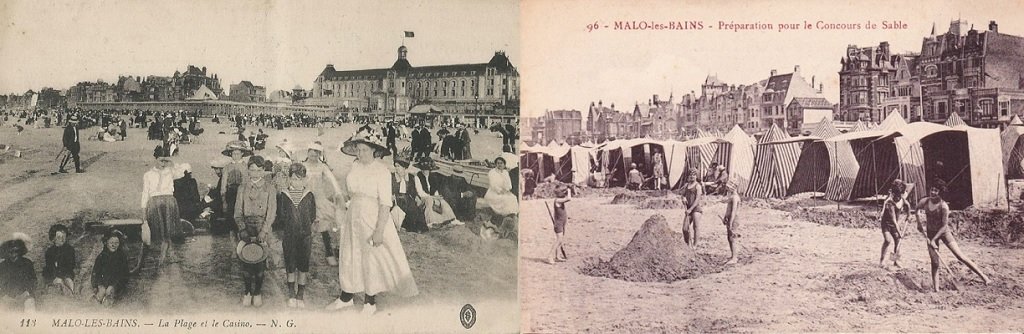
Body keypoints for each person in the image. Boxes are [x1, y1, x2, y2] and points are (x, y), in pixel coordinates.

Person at [326, 131, 418, 315]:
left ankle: (370, 301)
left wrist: (379, 231)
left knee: (371, 258)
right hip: (353, 215)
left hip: (372, 216)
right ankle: (346, 297)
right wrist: (340, 199)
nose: (360, 154)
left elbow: (385, 203)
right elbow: (350, 192)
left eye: (365, 150)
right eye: (358, 150)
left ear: (374, 151)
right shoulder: (354, 166)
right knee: (349, 254)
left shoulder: (382, 171)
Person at [914, 181, 990, 292]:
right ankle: (936, 290)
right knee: (935, 262)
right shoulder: (925, 201)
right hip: (930, 233)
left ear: (940, 193)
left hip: (944, 233)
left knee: (960, 256)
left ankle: (984, 277)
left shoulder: (944, 206)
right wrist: (918, 223)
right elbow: (916, 209)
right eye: (932, 189)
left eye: (936, 190)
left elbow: (944, 226)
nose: (933, 192)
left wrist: (934, 240)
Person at [233, 157, 277, 308]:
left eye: (259, 170)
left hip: (262, 227)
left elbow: (271, 213)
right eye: (252, 170)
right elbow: (238, 211)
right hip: (246, 226)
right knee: (245, 261)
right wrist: (242, 228)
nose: (256, 173)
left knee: (259, 263)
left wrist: (264, 231)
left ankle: (257, 292)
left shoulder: (270, 188)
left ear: (264, 171)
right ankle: (247, 292)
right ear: (248, 170)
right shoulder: (242, 188)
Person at [277, 163, 317, 308]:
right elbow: (281, 215)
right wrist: (289, 225)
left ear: (305, 180)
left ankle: (300, 295)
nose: (297, 182)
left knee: (303, 266)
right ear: (289, 179)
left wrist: (305, 226)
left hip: (305, 236)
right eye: (294, 179)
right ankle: (291, 294)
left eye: (300, 179)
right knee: (290, 265)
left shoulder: (309, 195)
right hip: (289, 236)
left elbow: (312, 215)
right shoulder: (283, 195)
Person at [142, 145, 186, 264]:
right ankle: (161, 257)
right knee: (158, 232)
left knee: (169, 231)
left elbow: (182, 173)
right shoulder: (148, 174)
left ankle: (168, 255)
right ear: (155, 159)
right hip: (155, 203)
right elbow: (145, 193)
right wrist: (143, 213)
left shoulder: (171, 171)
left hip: (169, 202)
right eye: (161, 160)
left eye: (165, 160)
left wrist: (171, 162)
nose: (163, 163)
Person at [303, 142, 342, 267]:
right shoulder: (302, 166)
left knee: (324, 228)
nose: (313, 156)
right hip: (305, 200)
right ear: (308, 152)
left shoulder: (322, 167)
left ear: (319, 155)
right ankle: (303, 255)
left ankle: (329, 253)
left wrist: (338, 194)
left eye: (316, 154)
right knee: (305, 229)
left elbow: (333, 180)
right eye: (311, 153)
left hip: (319, 200)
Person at [414, 158, 459, 226]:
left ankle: (451, 219)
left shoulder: (433, 177)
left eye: (427, 169)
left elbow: (435, 190)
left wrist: (437, 197)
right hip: (422, 199)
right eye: (423, 169)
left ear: (430, 170)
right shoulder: (417, 177)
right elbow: (420, 192)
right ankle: (431, 222)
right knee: (429, 201)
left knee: (442, 201)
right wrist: (432, 197)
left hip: (432, 197)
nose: (425, 171)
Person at [220, 140, 252, 236]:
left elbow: (248, 183)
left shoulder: (246, 167)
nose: (235, 156)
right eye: (233, 154)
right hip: (231, 194)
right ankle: (232, 238)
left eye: (238, 154)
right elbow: (223, 184)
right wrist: (224, 200)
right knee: (231, 217)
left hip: (243, 193)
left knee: (242, 216)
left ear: (242, 154)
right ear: (230, 154)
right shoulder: (227, 167)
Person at [0, 233, 36, 312]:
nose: (13, 254)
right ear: (6, 252)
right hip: (7, 297)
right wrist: (4, 296)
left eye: (16, 251)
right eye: (10, 251)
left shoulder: (27, 263)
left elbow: (32, 281)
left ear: (20, 251)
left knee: (29, 304)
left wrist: (26, 293)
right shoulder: (2, 266)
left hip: (24, 296)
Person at [91, 230, 128, 306]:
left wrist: (113, 286)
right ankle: (97, 300)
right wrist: (97, 285)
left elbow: (123, 275)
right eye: (111, 243)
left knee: (108, 297)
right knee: (101, 293)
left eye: (116, 243)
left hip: (116, 283)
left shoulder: (122, 257)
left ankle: (109, 300)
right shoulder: (101, 256)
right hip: (103, 282)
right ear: (106, 243)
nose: (114, 245)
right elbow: (96, 272)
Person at [879, 180, 910, 268]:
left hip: (894, 224)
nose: (897, 197)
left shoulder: (902, 200)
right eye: (895, 195)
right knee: (888, 240)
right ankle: (881, 260)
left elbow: (908, 206)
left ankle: (895, 261)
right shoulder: (890, 203)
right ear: (892, 193)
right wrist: (899, 231)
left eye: (899, 195)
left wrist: (908, 215)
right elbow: (894, 220)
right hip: (886, 224)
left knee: (898, 241)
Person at [393, 160, 427, 233]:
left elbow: (413, 191)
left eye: (398, 166)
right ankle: (404, 226)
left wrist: (416, 197)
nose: (396, 168)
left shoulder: (410, 177)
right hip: (396, 199)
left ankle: (416, 228)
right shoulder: (392, 177)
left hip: (407, 198)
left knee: (414, 209)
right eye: (395, 166)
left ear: (404, 168)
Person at [43, 224, 77, 295]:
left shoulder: (70, 250)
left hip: (66, 274)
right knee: (58, 283)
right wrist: (56, 277)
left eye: (63, 237)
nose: (62, 239)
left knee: (69, 282)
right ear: (53, 239)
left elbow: (70, 266)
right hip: (54, 276)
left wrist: (63, 276)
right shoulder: (49, 252)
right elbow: (49, 267)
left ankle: (70, 294)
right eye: (59, 237)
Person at [548, 184, 571, 264]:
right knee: (559, 240)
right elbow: (569, 198)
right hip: (558, 224)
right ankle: (550, 256)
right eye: (564, 192)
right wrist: (569, 190)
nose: (565, 193)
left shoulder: (560, 199)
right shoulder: (557, 200)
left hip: (562, 222)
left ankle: (557, 256)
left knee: (561, 240)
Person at [681, 170, 705, 250]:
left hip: (696, 208)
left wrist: (690, 209)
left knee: (696, 226)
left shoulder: (698, 186)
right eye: (690, 175)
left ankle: (695, 245)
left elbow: (697, 199)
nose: (692, 176)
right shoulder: (686, 185)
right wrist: (683, 199)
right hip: (688, 209)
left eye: (694, 175)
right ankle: (687, 244)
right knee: (685, 228)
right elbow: (682, 195)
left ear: (696, 176)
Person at [722, 182, 741, 265]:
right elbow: (728, 209)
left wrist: (731, 222)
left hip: (734, 219)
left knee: (732, 238)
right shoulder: (731, 197)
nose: (728, 189)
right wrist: (725, 217)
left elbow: (733, 211)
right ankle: (732, 255)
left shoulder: (735, 198)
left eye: (729, 188)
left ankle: (734, 257)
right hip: (730, 218)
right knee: (729, 237)